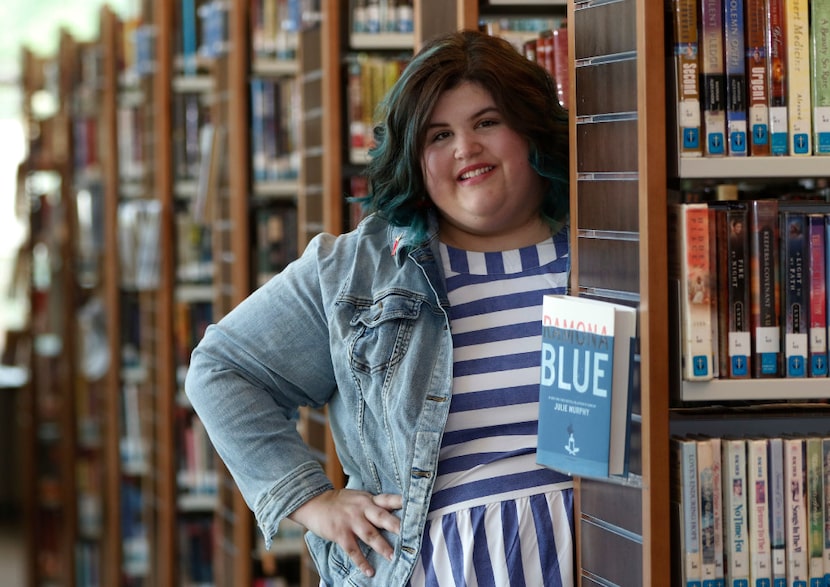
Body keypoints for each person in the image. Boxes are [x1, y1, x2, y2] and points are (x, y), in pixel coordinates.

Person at [185, 29, 573, 586]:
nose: (466, 147)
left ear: (530, 130)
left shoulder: (610, 250)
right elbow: (221, 369)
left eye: (487, 122)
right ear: (415, 159)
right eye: (439, 134)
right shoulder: (356, 269)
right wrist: (312, 501)